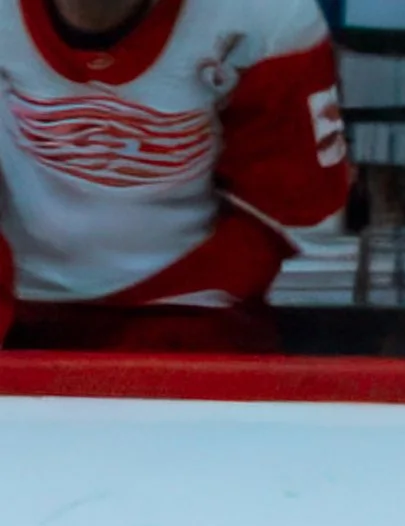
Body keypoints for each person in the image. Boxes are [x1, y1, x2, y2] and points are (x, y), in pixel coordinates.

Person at [0, 0, 347, 351]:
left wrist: (189, 303)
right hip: (18, 313)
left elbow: (295, 210)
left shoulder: (266, 15)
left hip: (196, 318)